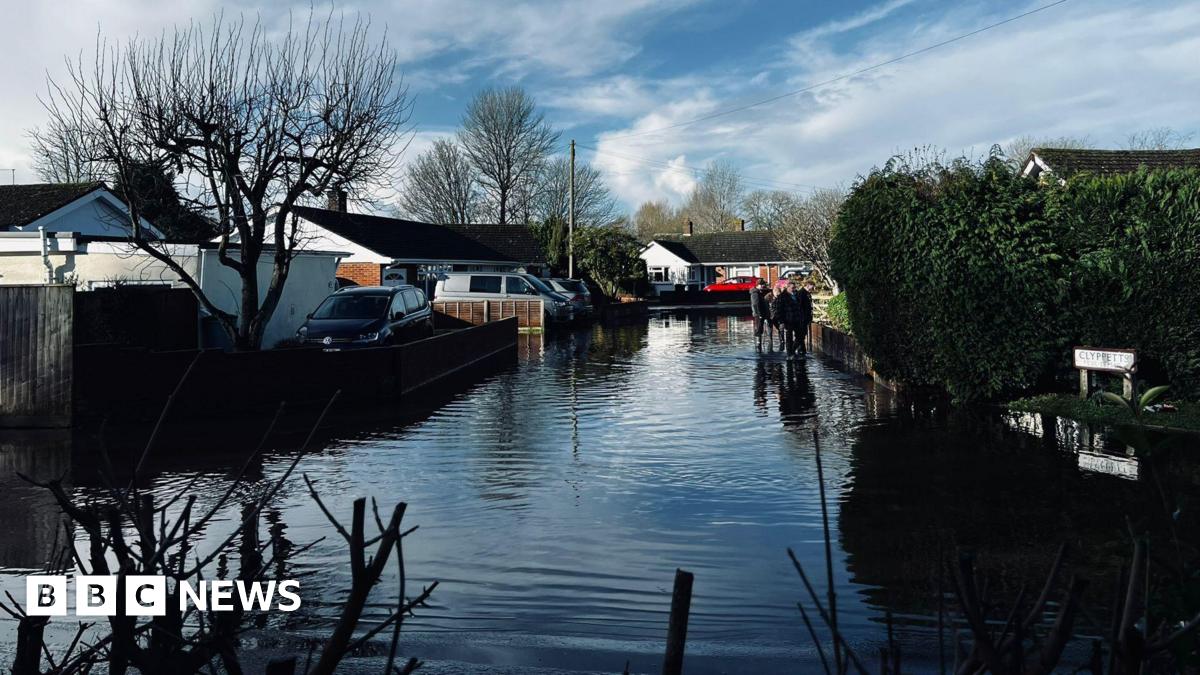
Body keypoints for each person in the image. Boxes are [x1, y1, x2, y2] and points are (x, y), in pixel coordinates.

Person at [749, 279, 771, 351]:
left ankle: (760, 344)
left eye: (763, 284)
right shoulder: (755, 293)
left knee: (760, 328)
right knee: (758, 329)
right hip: (758, 315)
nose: (763, 286)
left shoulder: (760, 292)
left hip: (762, 313)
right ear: (758, 285)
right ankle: (758, 344)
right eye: (762, 284)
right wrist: (758, 314)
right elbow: (755, 304)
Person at [768, 285, 789, 353]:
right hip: (771, 317)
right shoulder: (768, 297)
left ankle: (782, 341)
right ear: (773, 293)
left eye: (778, 294)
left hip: (780, 317)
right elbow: (766, 307)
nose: (777, 296)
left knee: (781, 329)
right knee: (770, 331)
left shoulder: (781, 298)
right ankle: (770, 343)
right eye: (776, 294)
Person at [796, 281, 814, 355]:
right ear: (808, 285)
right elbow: (800, 306)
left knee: (802, 334)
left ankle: (802, 350)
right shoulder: (802, 293)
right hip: (802, 318)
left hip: (805, 317)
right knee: (801, 334)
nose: (814, 288)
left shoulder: (806, 293)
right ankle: (794, 349)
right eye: (813, 286)